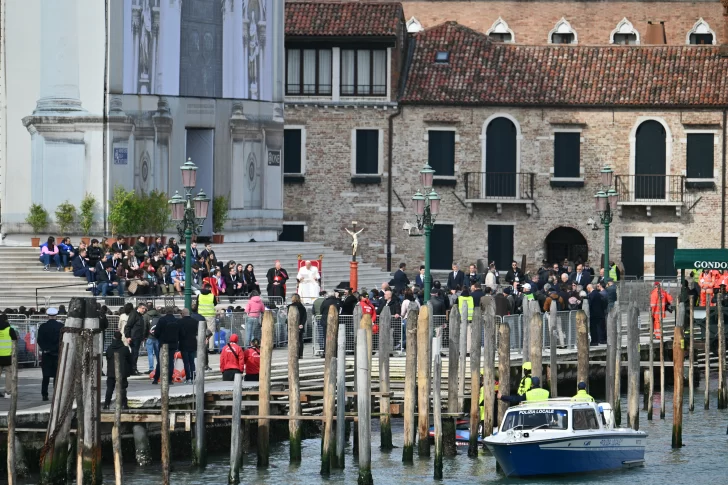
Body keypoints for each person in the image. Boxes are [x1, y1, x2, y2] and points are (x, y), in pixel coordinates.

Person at [37, 307, 63, 401]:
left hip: (46, 354)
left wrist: (45, 348)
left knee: (46, 375)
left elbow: (39, 340)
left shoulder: (42, 327)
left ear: (47, 315)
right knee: (57, 375)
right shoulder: (61, 326)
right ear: (56, 315)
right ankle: (56, 393)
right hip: (57, 353)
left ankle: (44, 394)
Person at [104, 331, 133, 409]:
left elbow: (107, 358)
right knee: (122, 388)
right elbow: (130, 360)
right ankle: (124, 404)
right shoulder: (125, 349)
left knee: (109, 388)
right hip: (122, 372)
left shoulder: (109, 348)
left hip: (111, 372)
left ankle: (106, 404)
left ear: (113, 338)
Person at [153, 309, 180, 385]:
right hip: (173, 344)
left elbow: (157, 332)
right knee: (170, 362)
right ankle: (169, 379)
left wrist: (159, 338)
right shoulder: (176, 320)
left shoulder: (162, 320)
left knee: (160, 361)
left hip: (163, 343)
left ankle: (156, 378)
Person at [123, 303, 148, 375]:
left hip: (138, 338)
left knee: (135, 354)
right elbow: (128, 326)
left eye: (145, 309)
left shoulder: (140, 316)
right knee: (134, 354)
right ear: (139, 308)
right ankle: (133, 369)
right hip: (134, 338)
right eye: (143, 308)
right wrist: (128, 336)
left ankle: (133, 369)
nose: (144, 310)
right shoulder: (134, 314)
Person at [178, 309, 199, 383]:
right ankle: (193, 378)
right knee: (192, 362)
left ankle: (188, 378)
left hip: (183, 344)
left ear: (183, 314)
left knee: (186, 362)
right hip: (193, 343)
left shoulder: (180, 322)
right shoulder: (195, 321)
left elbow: (179, 333)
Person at [0, 314, 18, 399]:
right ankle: (8, 392)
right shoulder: (10, 330)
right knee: (8, 374)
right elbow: (15, 340)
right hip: (7, 355)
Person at [197, 284, 218, 352]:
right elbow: (215, 303)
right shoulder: (212, 296)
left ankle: (201, 347)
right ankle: (211, 349)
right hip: (210, 316)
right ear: (209, 288)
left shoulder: (199, 295)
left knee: (201, 331)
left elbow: (197, 304)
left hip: (200, 316)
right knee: (211, 332)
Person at [288, 294, 308, 359]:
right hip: (300, 325)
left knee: (292, 340)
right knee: (300, 340)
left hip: (292, 326)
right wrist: (302, 324)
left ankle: (293, 353)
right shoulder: (302, 307)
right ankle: (300, 354)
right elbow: (304, 317)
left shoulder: (290, 306)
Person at [143, 307, 161, 374]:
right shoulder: (159, 315)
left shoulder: (146, 316)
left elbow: (144, 327)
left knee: (150, 354)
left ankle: (151, 368)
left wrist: (144, 336)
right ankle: (159, 367)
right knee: (158, 353)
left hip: (149, 337)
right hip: (157, 337)